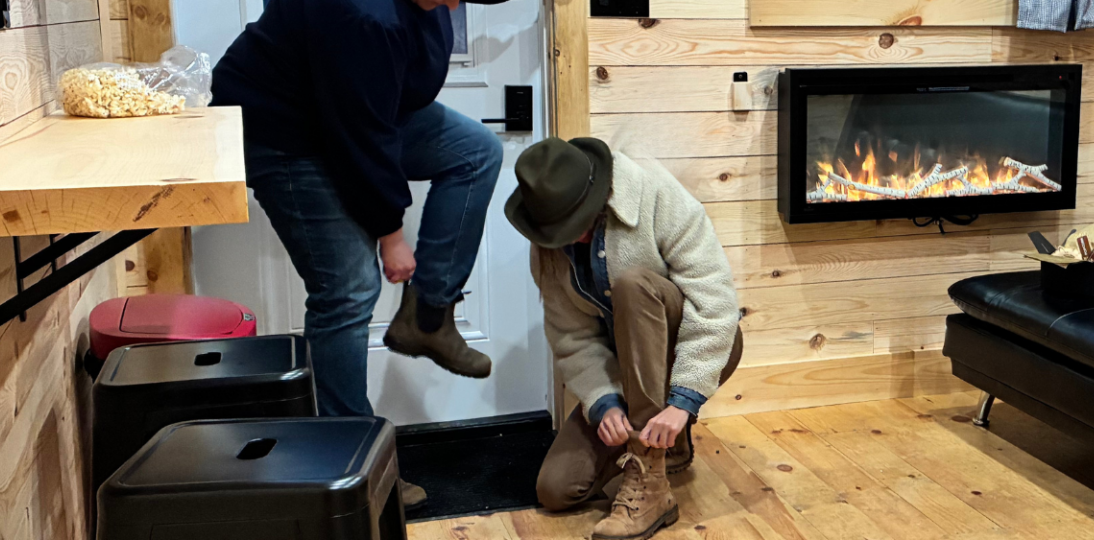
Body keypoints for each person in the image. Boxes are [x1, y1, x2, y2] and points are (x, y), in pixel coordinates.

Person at [210, 0, 506, 508]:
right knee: (348, 289)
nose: (455, 5)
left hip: (356, 106)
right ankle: (348, 462)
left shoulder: (421, 9)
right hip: (286, 129)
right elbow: (357, 134)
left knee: (475, 151)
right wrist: (391, 232)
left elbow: (376, 107)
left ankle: (429, 317)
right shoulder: (365, 16)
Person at [508, 137, 743, 540]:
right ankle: (664, 437)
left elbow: (715, 305)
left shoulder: (656, 193)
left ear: (599, 193)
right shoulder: (548, 244)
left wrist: (684, 400)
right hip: (625, 367)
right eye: (560, 231)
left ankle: (650, 480)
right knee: (557, 489)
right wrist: (604, 402)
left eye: (578, 222)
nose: (573, 239)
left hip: (695, 346)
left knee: (632, 285)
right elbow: (571, 335)